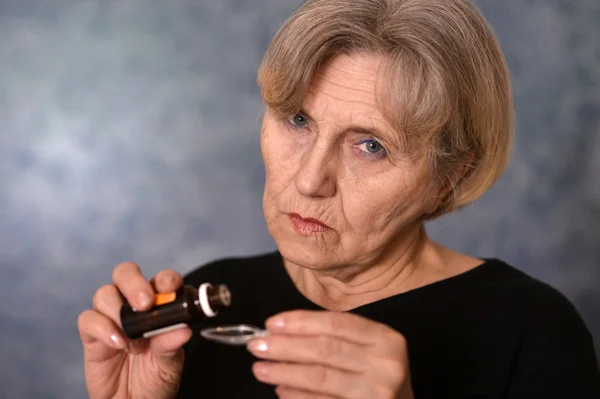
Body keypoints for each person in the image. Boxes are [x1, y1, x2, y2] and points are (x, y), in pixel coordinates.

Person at [77, 0, 600, 398]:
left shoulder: (533, 332)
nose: (309, 180)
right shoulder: (205, 301)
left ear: (448, 178)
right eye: (298, 121)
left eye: (370, 146)